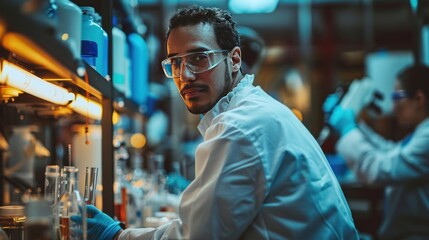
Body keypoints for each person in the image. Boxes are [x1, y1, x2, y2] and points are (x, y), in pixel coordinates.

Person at [77, 5, 359, 240]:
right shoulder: (252, 109)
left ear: (234, 60)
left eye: (199, 58)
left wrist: (115, 235)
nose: (185, 75)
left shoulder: (240, 126)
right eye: (175, 63)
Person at [328, 65, 429, 239]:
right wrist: (356, 125)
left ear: (419, 99)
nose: (393, 105)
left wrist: (348, 129)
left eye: (397, 96)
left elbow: (378, 169)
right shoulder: (421, 133)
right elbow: (389, 151)